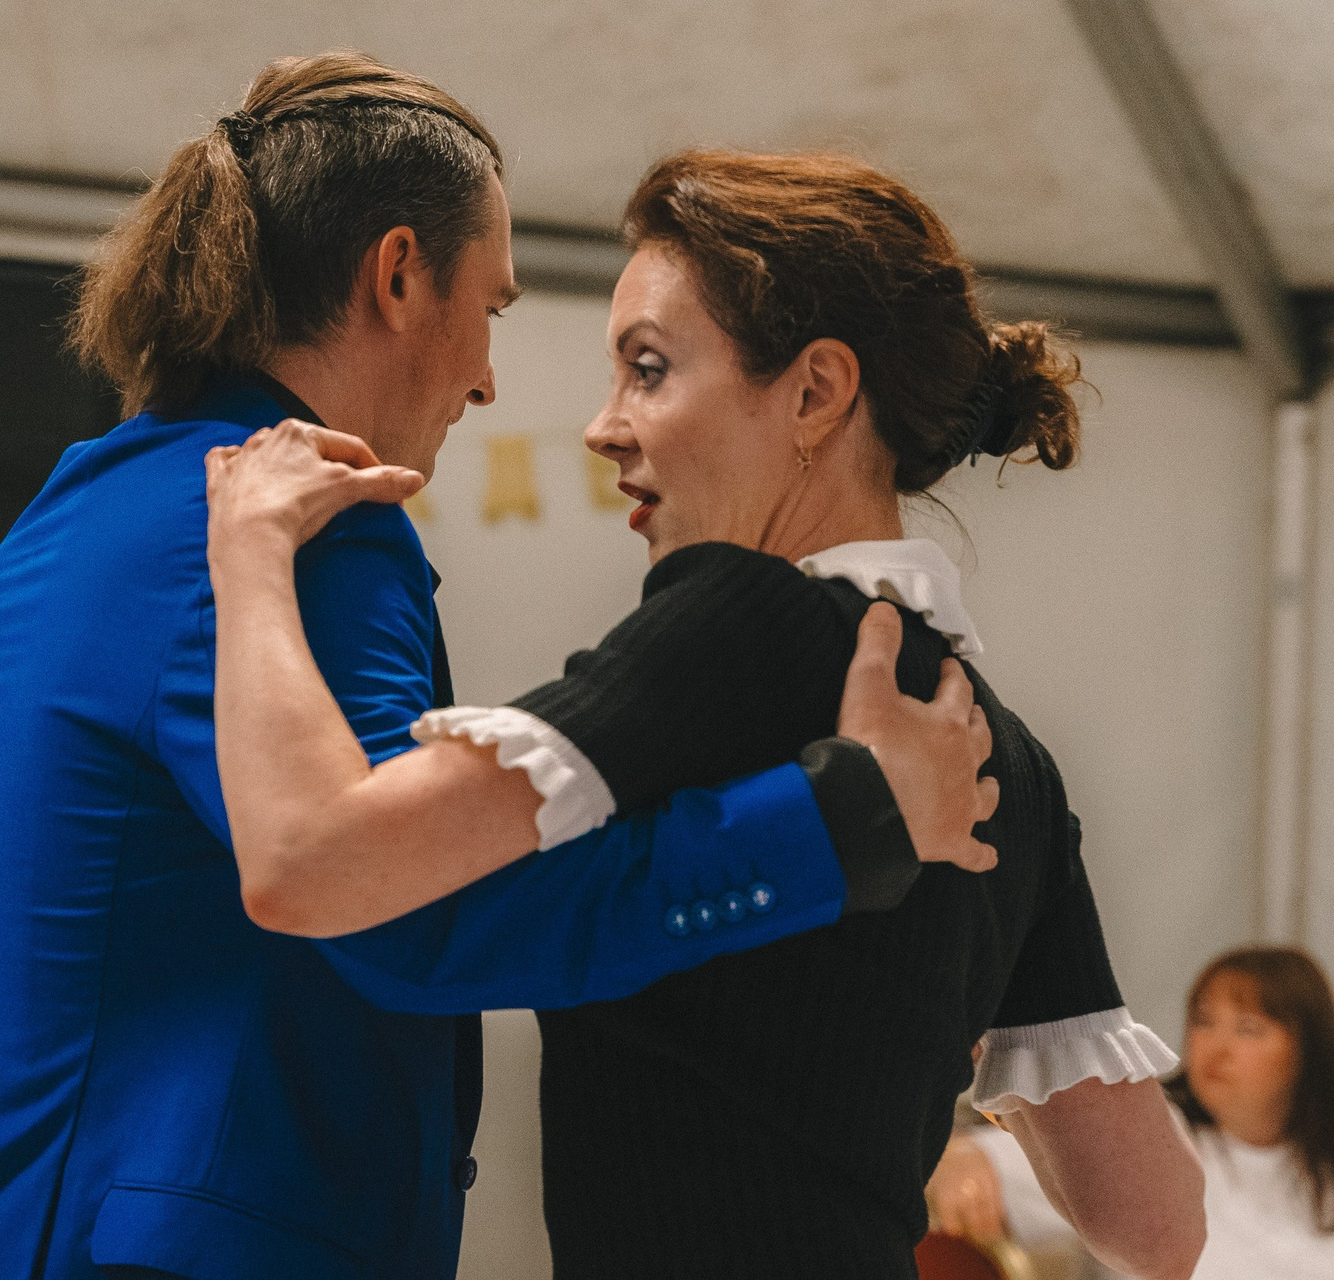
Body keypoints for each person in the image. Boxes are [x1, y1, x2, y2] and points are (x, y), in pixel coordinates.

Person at [0, 55, 1000, 1280]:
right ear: (399, 274)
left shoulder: (85, 505)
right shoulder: (312, 526)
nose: (487, 379)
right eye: (492, 308)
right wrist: (832, 829)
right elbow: (400, 902)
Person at [203, 149, 1208, 1280]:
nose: (604, 426)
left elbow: (312, 860)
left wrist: (250, 552)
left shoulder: (743, 619)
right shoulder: (1008, 761)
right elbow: (1157, 1226)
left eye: (648, 369)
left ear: (816, 393)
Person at [933, 945, 1334, 1278]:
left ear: (1309, 1049)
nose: (1218, 1046)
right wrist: (960, 1157)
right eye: (1203, 1021)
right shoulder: (1154, 1133)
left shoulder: (1320, 1168)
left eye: (1248, 1028)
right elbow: (975, 1161)